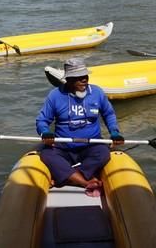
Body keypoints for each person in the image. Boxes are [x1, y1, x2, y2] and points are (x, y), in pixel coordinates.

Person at [36, 58, 124, 197]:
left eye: (85, 76)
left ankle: (68, 178)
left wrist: (114, 132)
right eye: (79, 77)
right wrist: (45, 132)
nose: (84, 80)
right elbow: (42, 120)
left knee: (103, 154)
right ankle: (84, 182)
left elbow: (109, 114)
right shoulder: (55, 95)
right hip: (63, 146)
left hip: (91, 144)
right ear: (69, 80)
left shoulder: (97, 93)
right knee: (47, 154)